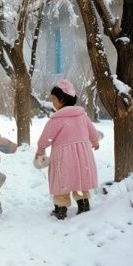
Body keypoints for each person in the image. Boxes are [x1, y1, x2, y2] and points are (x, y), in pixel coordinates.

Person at [35, 79, 99, 220]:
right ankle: (83, 204)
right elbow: (92, 131)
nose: (52, 102)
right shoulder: (82, 116)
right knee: (80, 180)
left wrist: (40, 151)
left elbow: (46, 137)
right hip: (82, 156)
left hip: (63, 158)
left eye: (54, 99)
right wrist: (95, 142)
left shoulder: (56, 119)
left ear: (62, 100)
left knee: (61, 182)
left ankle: (61, 209)